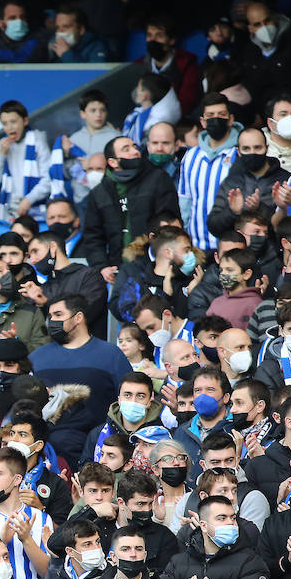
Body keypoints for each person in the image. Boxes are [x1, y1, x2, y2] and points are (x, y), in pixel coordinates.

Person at [29, 295, 133, 462]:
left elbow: (128, 397)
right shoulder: (36, 358)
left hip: (101, 449)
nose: (52, 321)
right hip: (49, 453)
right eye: (50, 316)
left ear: (78, 317)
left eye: (58, 315)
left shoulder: (110, 354)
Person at [80, 136, 179, 271]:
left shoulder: (158, 179)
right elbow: (93, 237)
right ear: (113, 162)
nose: (135, 152)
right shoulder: (99, 193)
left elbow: (169, 223)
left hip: (155, 265)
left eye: (135, 147)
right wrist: (102, 267)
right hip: (117, 269)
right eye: (126, 150)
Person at [178, 93, 240, 251]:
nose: (216, 119)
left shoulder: (239, 154)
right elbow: (185, 201)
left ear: (231, 119)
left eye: (221, 114)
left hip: (232, 248)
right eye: (210, 115)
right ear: (202, 122)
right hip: (197, 246)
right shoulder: (191, 156)